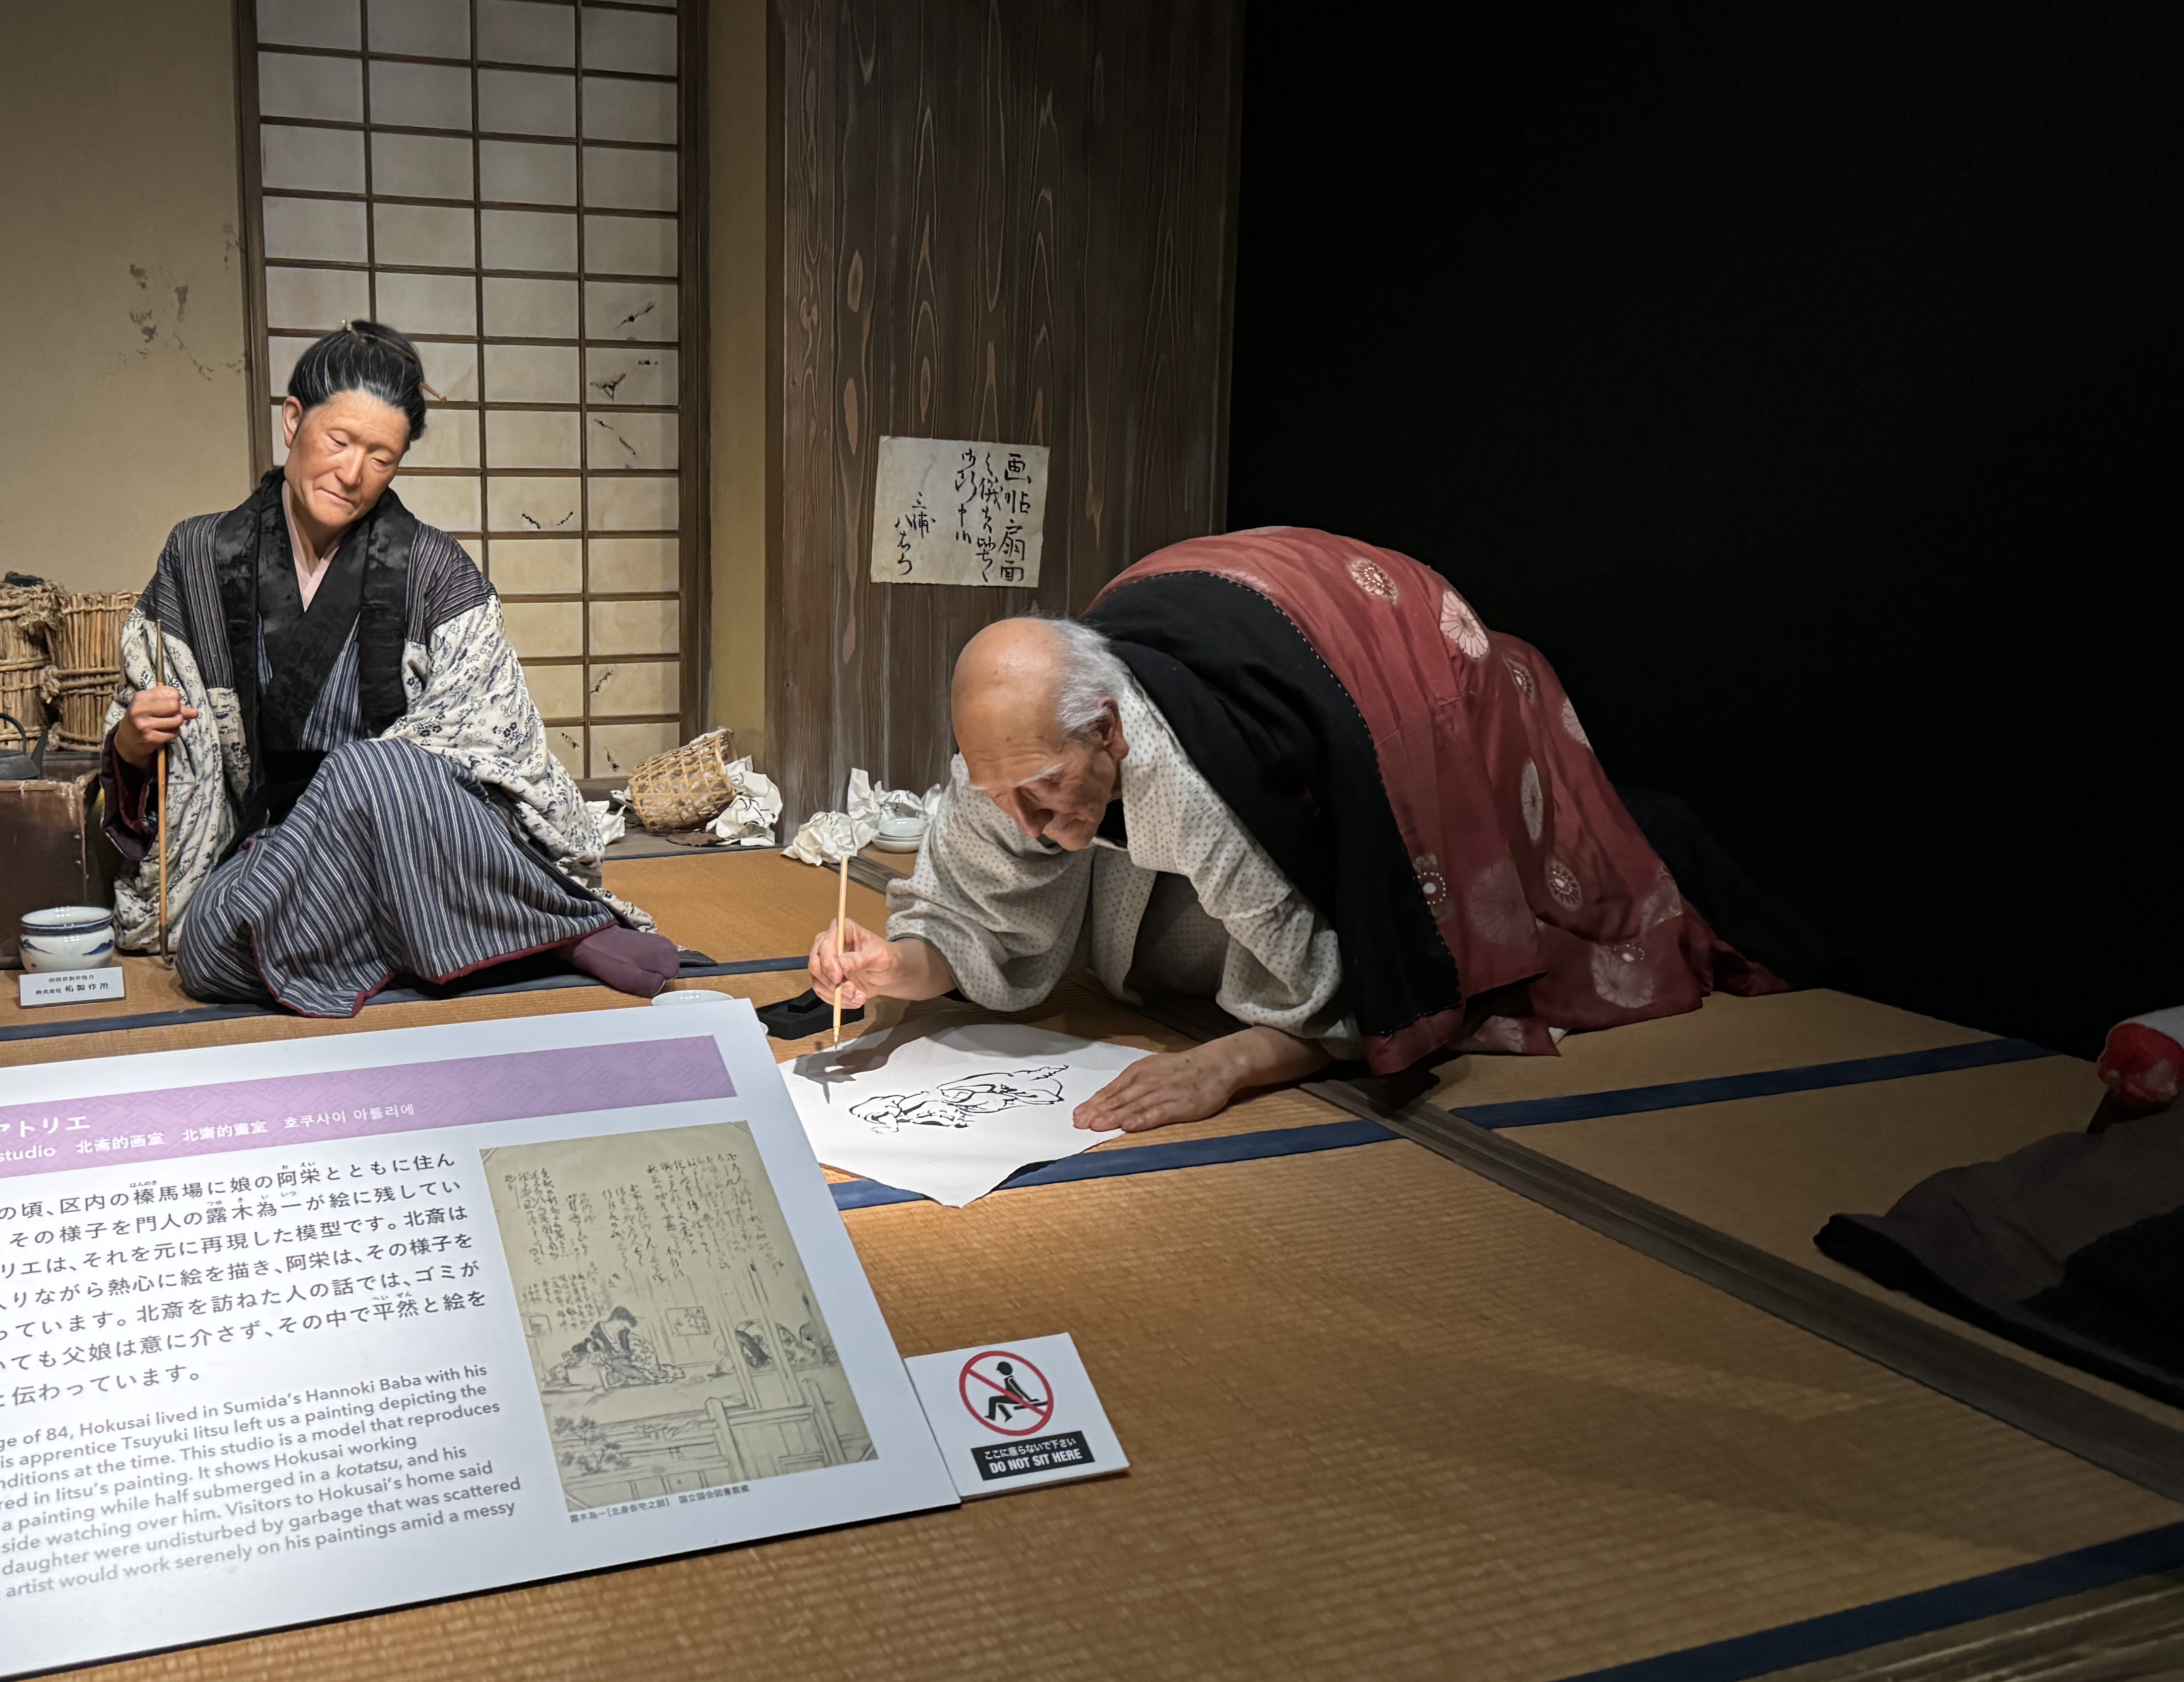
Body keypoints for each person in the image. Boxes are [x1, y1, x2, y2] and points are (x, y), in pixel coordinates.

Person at [809, 528, 1783, 1133]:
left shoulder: (1199, 789)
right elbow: (968, 915)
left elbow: (1340, 994)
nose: (1023, 819)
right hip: (1229, 607)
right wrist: (900, 964)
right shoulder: (1014, 762)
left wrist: (1233, 1062)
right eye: (998, 794)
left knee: (1511, 886)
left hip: (1398, 671)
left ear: (1108, 729)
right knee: (1122, 909)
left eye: (1042, 789)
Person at [104, 320, 678, 1013]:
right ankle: (483, 942)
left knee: (366, 772)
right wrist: (130, 744)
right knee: (205, 951)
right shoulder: (198, 556)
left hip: (413, 836)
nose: (353, 474)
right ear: (293, 420)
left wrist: (367, 783)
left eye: (381, 457)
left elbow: (497, 749)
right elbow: (159, 739)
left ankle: (511, 933)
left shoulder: (434, 569)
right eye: (339, 441)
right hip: (280, 852)